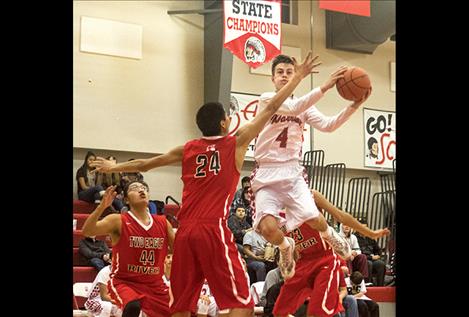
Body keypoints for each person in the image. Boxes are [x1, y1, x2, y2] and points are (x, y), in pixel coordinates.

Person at [90, 52, 321, 317]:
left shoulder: (188, 149)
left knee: (181, 307)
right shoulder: (235, 142)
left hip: (185, 231)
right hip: (213, 229)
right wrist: (298, 77)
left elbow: (146, 164)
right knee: (242, 304)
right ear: (225, 122)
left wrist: (114, 166)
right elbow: (270, 109)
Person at [250, 54, 371, 279]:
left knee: (315, 219)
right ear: (272, 78)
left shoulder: (304, 107)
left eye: (289, 72)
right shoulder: (267, 99)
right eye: (280, 72)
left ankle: (330, 235)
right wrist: (325, 86)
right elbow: (294, 106)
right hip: (266, 171)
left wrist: (354, 105)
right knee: (267, 229)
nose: (285, 76)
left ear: (294, 75)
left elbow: (328, 125)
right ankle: (286, 248)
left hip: (292, 170)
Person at [271, 189, 389, 317]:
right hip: (302, 262)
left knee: (316, 312)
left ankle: (328, 233)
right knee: (279, 312)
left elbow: (340, 215)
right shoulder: (271, 210)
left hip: (324, 259)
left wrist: (370, 233)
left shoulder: (311, 195)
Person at [82, 181, 175, 317]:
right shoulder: (118, 220)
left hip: (155, 284)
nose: (141, 190)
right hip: (125, 282)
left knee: (178, 309)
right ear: (126, 199)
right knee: (133, 305)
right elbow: (87, 230)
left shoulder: (163, 223)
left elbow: (179, 250)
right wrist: (102, 207)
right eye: (135, 188)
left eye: (144, 188)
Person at [355, 218, 386, 286]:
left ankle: (380, 287)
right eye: (362, 227)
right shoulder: (354, 237)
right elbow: (357, 253)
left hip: (373, 259)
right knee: (368, 263)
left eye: (365, 227)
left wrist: (378, 255)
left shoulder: (370, 237)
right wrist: (371, 257)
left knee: (381, 264)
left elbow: (378, 249)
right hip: (362, 260)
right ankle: (368, 285)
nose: (364, 229)